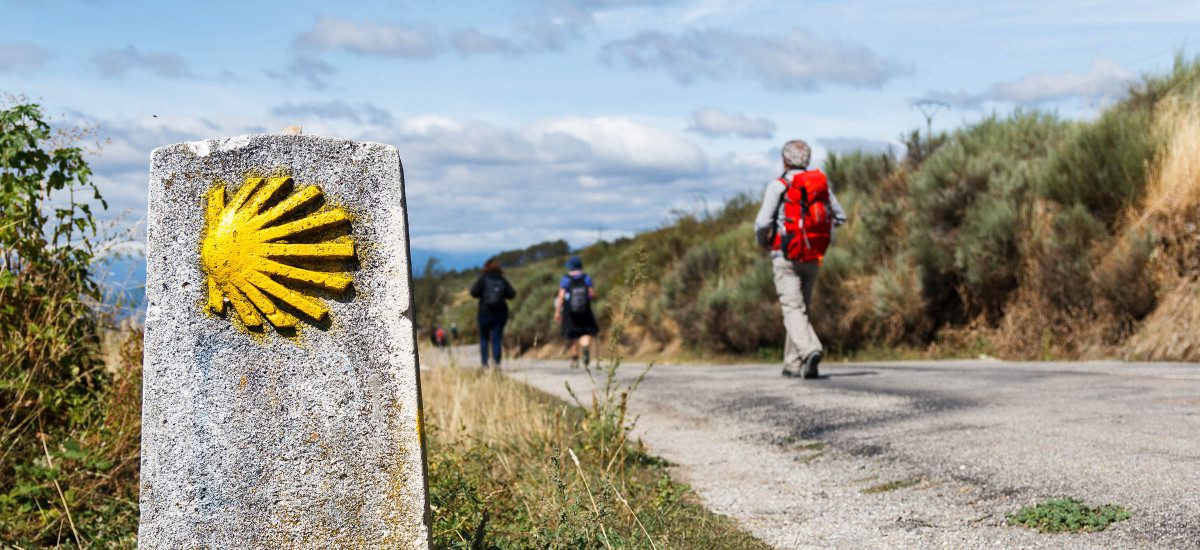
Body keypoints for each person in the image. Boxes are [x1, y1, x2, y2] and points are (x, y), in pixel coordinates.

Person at [754, 139, 847, 379]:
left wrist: (765, 241)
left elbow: (763, 222)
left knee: (792, 308)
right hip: (813, 254)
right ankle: (792, 364)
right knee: (801, 309)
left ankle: (810, 350)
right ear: (806, 159)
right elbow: (840, 216)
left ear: (784, 160)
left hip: (785, 254)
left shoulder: (779, 186)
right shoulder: (819, 185)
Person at [469, 258, 516, 368]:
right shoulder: (502, 280)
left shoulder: (483, 279)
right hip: (500, 313)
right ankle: (497, 363)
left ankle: (484, 363)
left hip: (484, 312)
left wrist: (483, 295)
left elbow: (473, 292)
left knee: (484, 337)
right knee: (497, 338)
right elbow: (512, 294)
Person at [554, 255, 598, 368]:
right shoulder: (586, 278)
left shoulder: (566, 279)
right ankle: (585, 348)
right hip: (585, 310)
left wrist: (558, 312)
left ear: (570, 267)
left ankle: (574, 360)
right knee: (585, 332)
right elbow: (592, 294)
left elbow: (561, 297)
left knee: (573, 334)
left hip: (569, 312)